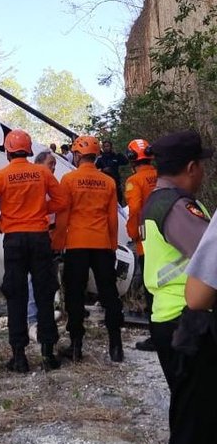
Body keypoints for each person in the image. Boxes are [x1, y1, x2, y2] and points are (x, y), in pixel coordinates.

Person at [141, 131, 214, 444]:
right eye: (201, 164)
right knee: (192, 426)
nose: (203, 171)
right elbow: (212, 257)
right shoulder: (177, 208)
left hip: (180, 322)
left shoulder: (162, 200)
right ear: (190, 168)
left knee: (203, 419)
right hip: (187, 326)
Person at [0, 129, 64, 372]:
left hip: (14, 240)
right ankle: (48, 355)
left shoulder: (0, 176)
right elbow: (61, 202)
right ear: (28, 151)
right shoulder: (42, 173)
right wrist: (40, 209)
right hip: (39, 239)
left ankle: (19, 357)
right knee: (44, 294)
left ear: (7, 152)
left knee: (16, 297)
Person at [59, 134, 124, 363]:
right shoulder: (108, 182)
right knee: (109, 294)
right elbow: (112, 219)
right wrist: (113, 245)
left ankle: (76, 346)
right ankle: (116, 346)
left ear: (77, 154)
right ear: (96, 155)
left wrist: (58, 244)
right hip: (102, 244)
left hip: (76, 243)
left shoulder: (68, 180)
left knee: (75, 294)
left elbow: (63, 216)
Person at [124, 138, 158, 352]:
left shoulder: (134, 181)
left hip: (146, 242)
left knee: (151, 290)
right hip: (167, 237)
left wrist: (132, 232)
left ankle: (157, 336)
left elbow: (135, 209)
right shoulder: (161, 174)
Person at [27, 150, 58, 338]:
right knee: (34, 281)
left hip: (49, 240)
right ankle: (32, 319)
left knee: (47, 282)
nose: (53, 167)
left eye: (54, 164)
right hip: (36, 238)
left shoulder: (50, 184)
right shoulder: (36, 183)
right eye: (50, 163)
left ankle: (42, 317)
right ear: (39, 163)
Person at [95, 139, 128, 206]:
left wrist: (118, 154)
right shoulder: (100, 158)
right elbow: (94, 169)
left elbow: (126, 162)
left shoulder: (116, 156)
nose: (106, 148)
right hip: (104, 184)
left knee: (118, 202)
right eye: (104, 146)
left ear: (111, 147)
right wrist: (103, 170)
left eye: (108, 146)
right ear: (102, 148)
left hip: (115, 182)